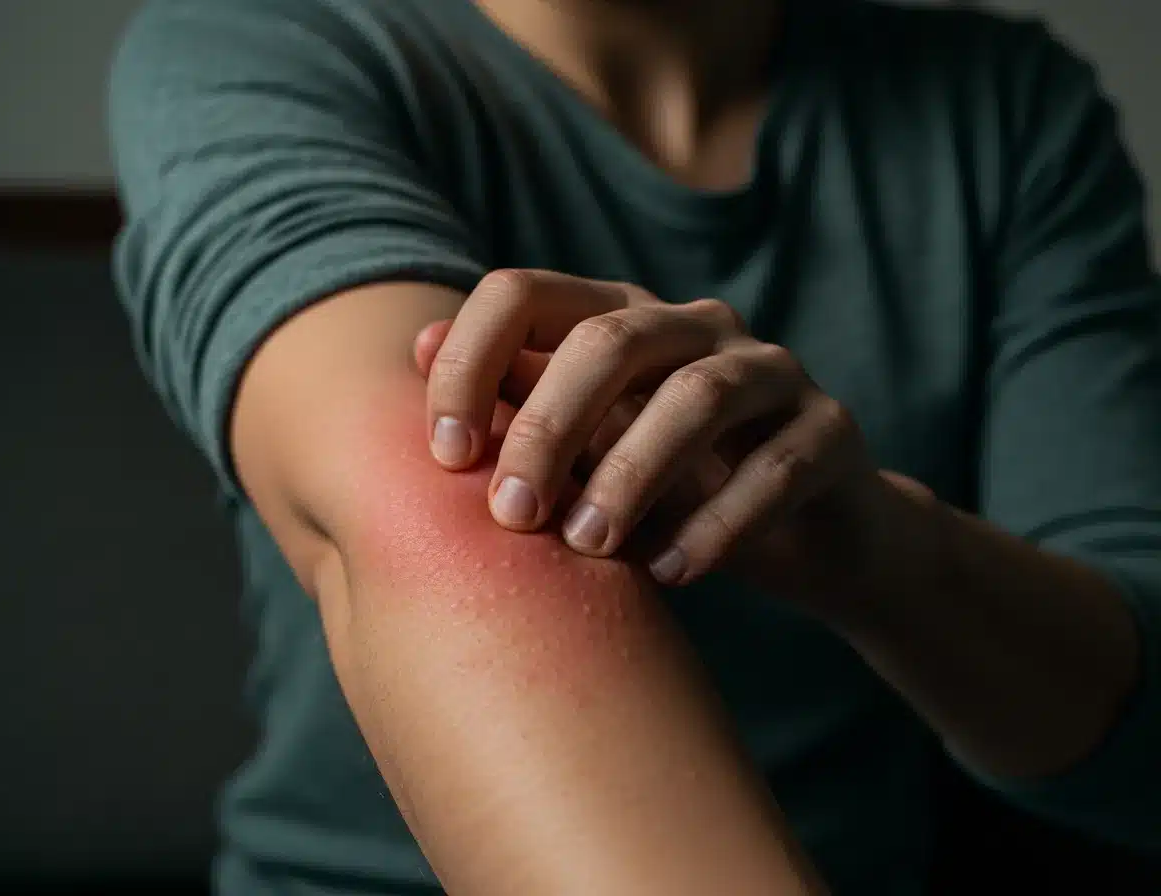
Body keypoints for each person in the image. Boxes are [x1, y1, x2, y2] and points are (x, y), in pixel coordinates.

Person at [108, 0, 1161, 892]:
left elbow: (1135, 745)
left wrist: (888, 557)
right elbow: (439, 516)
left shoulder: (1004, 105)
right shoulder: (262, 45)